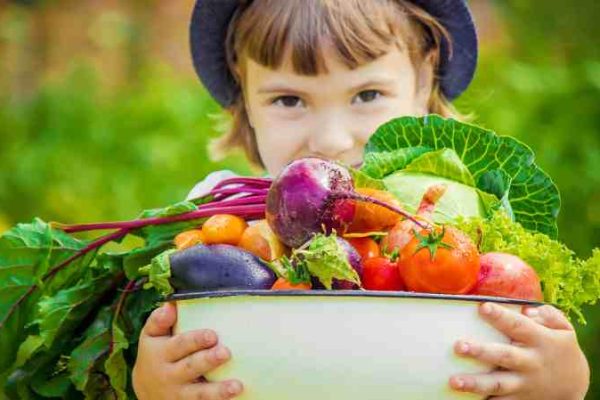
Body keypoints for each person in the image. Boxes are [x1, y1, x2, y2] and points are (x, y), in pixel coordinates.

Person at [132, 1, 590, 399]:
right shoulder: (216, 218)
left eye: (367, 94)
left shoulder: (466, 225)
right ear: (244, 92)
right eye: (289, 100)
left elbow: (509, 351)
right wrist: (153, 384)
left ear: (424, 77)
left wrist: (563, 383)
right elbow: (175, 350)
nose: (331, 140)